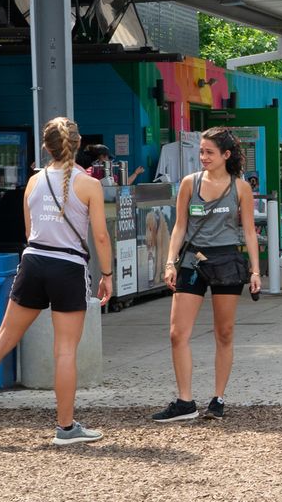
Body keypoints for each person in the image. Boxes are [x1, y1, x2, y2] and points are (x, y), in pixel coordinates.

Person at [0, 117, 115, 445]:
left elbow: (27, 231)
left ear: (46, 147)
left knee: (3, 337)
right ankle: (65, 428)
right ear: (78, 145)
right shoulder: (89, 184)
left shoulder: (34, 183)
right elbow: (101, 237)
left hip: (33, 261)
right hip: (68, 266)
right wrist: (106, 275)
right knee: (65, 349)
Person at [150, 127, 262, 423]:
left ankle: (218, 398)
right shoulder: (189, 183)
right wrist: (170, 262)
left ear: (226, 155)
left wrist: (255, 270)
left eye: (209, 152)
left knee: (224, 333)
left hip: (226, 259)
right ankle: (185, 401)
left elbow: (249, 231)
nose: (203, 157)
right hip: (192, 259)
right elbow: (179, 226)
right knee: (177, 333)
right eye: (201, 152)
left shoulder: (240, 188)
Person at [76, 142, 143, 185]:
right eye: (108, 157)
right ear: (102, 157)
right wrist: (136, 173)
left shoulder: (85, 171)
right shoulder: (105, 173)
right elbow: (125, 184)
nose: (110, 161)